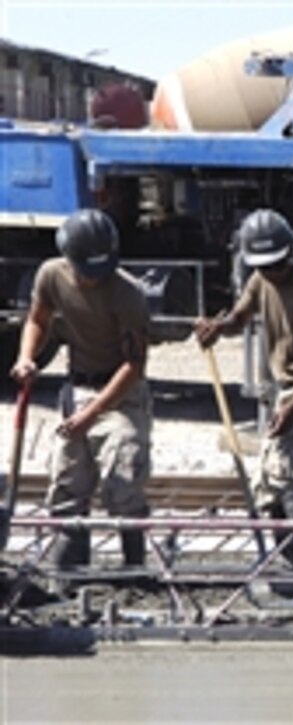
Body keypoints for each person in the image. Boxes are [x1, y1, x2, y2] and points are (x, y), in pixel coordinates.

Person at [195, 209, 293, 570]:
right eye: (265, 266)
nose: (273, 272)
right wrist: (218, 327)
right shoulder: (261, 280)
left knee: (286, 477)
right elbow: (240, 317)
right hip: (289, 390)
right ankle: (287, 562)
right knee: (267, 485)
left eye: (278, 264)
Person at [10, 209, 153, 569]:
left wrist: (92, 414)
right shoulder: (51, 275)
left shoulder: (127, 293)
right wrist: (28, 358)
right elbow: (37, 319)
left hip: (121, 395)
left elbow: (134, 365)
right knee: (68, 483)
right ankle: (69, 567)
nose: (92, 280)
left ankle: (134, 566)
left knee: (124, 477)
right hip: (79, 387)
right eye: (86, 272)